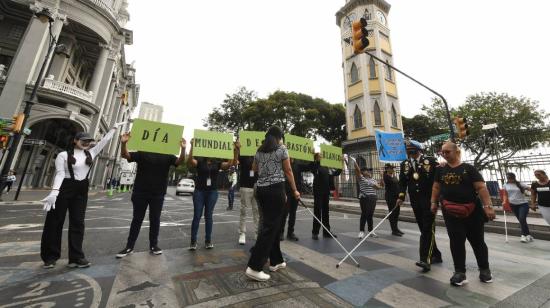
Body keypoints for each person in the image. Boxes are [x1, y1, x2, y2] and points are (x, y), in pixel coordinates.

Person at [40, 125, 120, 269]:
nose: (86, 143)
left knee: (78, 223)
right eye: (83, 140)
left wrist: (114, 129)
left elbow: (104, 141)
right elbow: (59, 174)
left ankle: (76, 257)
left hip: (82, 190)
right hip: (65, 187)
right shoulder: (63, 155)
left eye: (89, 141)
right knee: (55, 222)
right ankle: (50, 257)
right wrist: (54, 192)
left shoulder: (91, 153)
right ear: (75, 140)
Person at [430, 141, 496, 286]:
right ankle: (459, 272)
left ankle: (484, 270)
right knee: (456, 242)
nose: (444, 154)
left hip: (473, 213)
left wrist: (488, 206)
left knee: (478, 242)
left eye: (447, 151)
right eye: (442, 152)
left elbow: (481, 188)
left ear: (457, 152)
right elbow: (436, 187)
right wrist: (433, 203)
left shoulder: (469, 168)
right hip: (450, 213)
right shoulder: (440, 170)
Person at [115, 133, 186, 258]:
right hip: (140, 191)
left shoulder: (168, 155)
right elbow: (126, 155)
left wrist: (184, 149)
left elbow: (179, 162)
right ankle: (129, 246)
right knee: (137, 219)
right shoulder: (143, 152)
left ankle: (154, 245)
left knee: (155, 220)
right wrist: (123, 143)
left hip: (158, 193)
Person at [245, 126, 300, 282]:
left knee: (273, 225)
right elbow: (288, 170)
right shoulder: (282, 149)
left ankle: (276, 261)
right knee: (269, 228)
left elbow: (254, 168)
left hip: (261, 190)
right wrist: (295, 190)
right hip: (276, 190)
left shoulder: (259, 150)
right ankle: (254, 267)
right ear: (278, 137)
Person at [396, 139, 442, 272]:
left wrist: (438, 199)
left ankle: (425, 260)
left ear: (418, 150)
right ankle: (436, 255)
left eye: (412, 149)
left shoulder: (431, 161)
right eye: (408, 150)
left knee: (428, 228)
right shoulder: (404, 164)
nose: (409, 152)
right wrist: (401, 196)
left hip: (429, 200)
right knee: (424, 228)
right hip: (415, 201)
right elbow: (402, 182)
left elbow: (438, 181)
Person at [187, 139, 237, 250]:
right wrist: (192, 146)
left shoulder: (217, 164)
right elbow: (190, 160)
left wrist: (234, 151)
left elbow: (229, 164)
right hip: (199, 191)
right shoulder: (200, 162)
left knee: (208, 216)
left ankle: (208, 241)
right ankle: (193, 241)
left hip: (212, 192)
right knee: (197, 216)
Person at [309, 153, 341, 240]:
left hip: (326, 192)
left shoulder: (327, 167)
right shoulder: (315, 166)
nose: (322, 157)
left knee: (326, 213)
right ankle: (315, 232)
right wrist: (313, 157)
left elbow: (336, 173)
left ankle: (327, 232)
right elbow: (311, 166)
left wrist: (341, 163)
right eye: (320, 156)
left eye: (322, 156)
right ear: (317, 158)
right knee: (317, 212)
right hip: (318, 192)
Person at [348, 156, 381, 238]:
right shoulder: (361, 178)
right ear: (363, 172)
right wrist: (355, 162)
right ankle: (361, 231)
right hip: (364, 198)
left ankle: (371, 231)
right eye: (367, 170)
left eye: (369, 170)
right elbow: (357, 171)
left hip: (373, 198)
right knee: (364, 214)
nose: (369, 171)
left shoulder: (373, 179)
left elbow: (378, 187)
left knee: (370, 215)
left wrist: (381, 176)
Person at [235, 144, 259, 245]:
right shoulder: (244, 154)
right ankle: (242, 233)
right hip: (245, 185)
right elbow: (236, 160)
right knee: (244, 210)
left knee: (257, 211)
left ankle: (258, 233)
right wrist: (237, 149)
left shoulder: (259, 154)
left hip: (258, 185)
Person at [280, 158, 306, 241]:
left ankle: (290, 232)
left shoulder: (298, 164)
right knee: (284, 212)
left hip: (296, 192)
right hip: (286, 191)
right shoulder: (283, 162)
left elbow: (309, 167)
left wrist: (315, 159)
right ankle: (281, 232)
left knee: (293, 213)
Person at [503, 172, 533, 243]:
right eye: (508, 178)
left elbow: (532, 190)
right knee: (521, 220)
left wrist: (532, 198)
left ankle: (523, 235)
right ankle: (528, 235)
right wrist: (504, 201)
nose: (510, 180)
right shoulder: (505, 185)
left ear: (514, 177)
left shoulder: (520, 184)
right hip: (513, 205)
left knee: (522, 218)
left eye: (511, 178)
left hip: (523, 204)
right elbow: (505, 194)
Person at [382, 164, 404, 236]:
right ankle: (394, 230)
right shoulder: (386, 177)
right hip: (390, 197)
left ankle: (396, 228)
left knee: (397, 213)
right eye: (391, 168)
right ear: (387, 169)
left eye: (393, 168)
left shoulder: (393, 176)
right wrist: (383, 173)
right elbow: (391, 183)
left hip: (396, 197)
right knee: (392, 213)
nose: (393, 169)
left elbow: (397, 183)